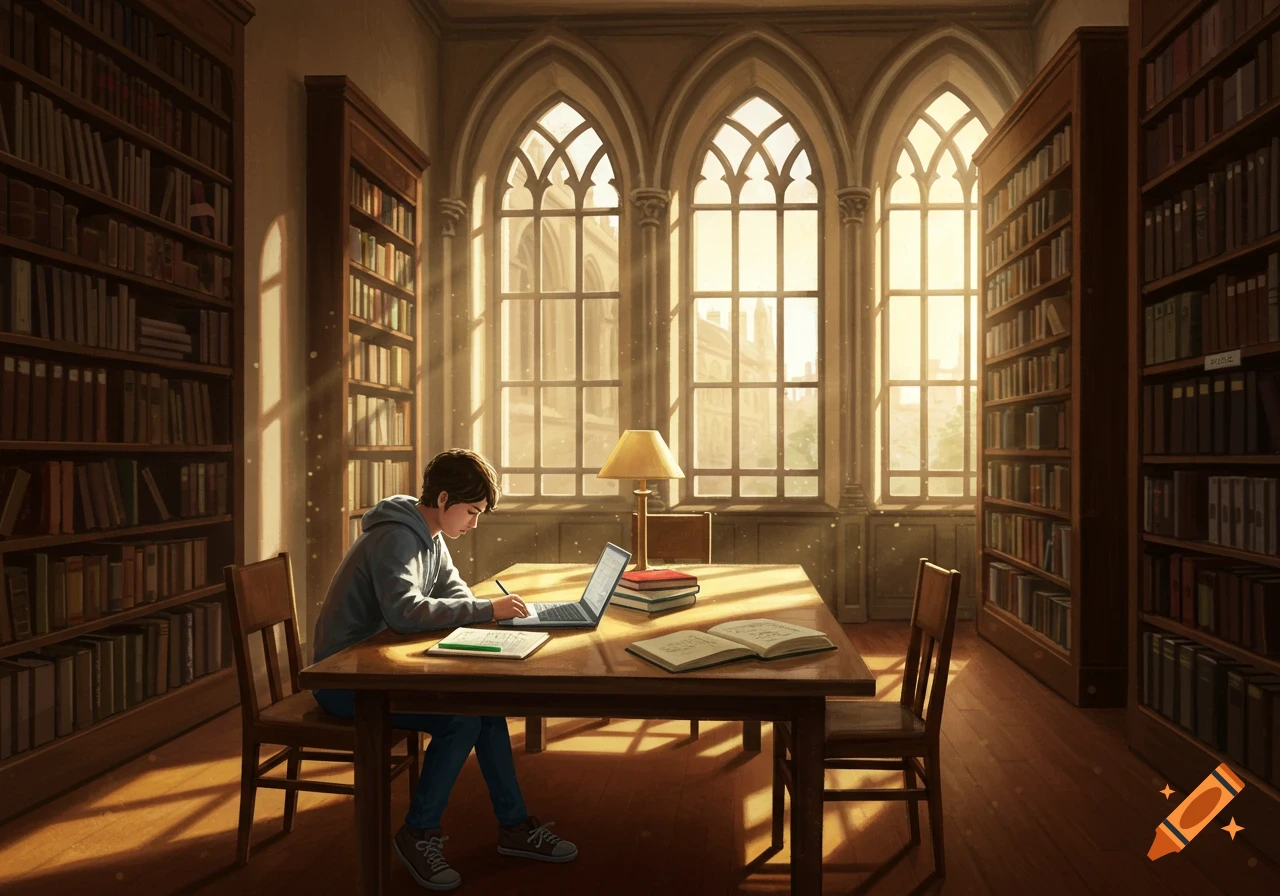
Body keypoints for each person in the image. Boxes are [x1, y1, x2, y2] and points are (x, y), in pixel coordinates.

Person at [311, 448, 577, 891]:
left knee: (483, 707)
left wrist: (491, 613)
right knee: (461, 719)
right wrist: (486, 608)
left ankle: (513, 826)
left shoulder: (428, 536)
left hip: (378, 668)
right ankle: (418, 833)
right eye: (471, 512)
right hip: (344, 681)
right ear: (443, 498)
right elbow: (404, 613)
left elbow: (452, 591)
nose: (474, 523)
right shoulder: (397, 537)